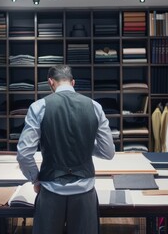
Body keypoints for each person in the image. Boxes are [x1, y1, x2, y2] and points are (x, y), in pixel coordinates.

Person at [17, 65, 115, 234]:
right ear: (73, 82)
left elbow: (24, 154)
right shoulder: (95, 106)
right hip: (85, 191)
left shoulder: (39, 107)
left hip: (50, 190)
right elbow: (108, 152)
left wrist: (35, 179)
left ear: (50, 82)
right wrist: (84, 145)